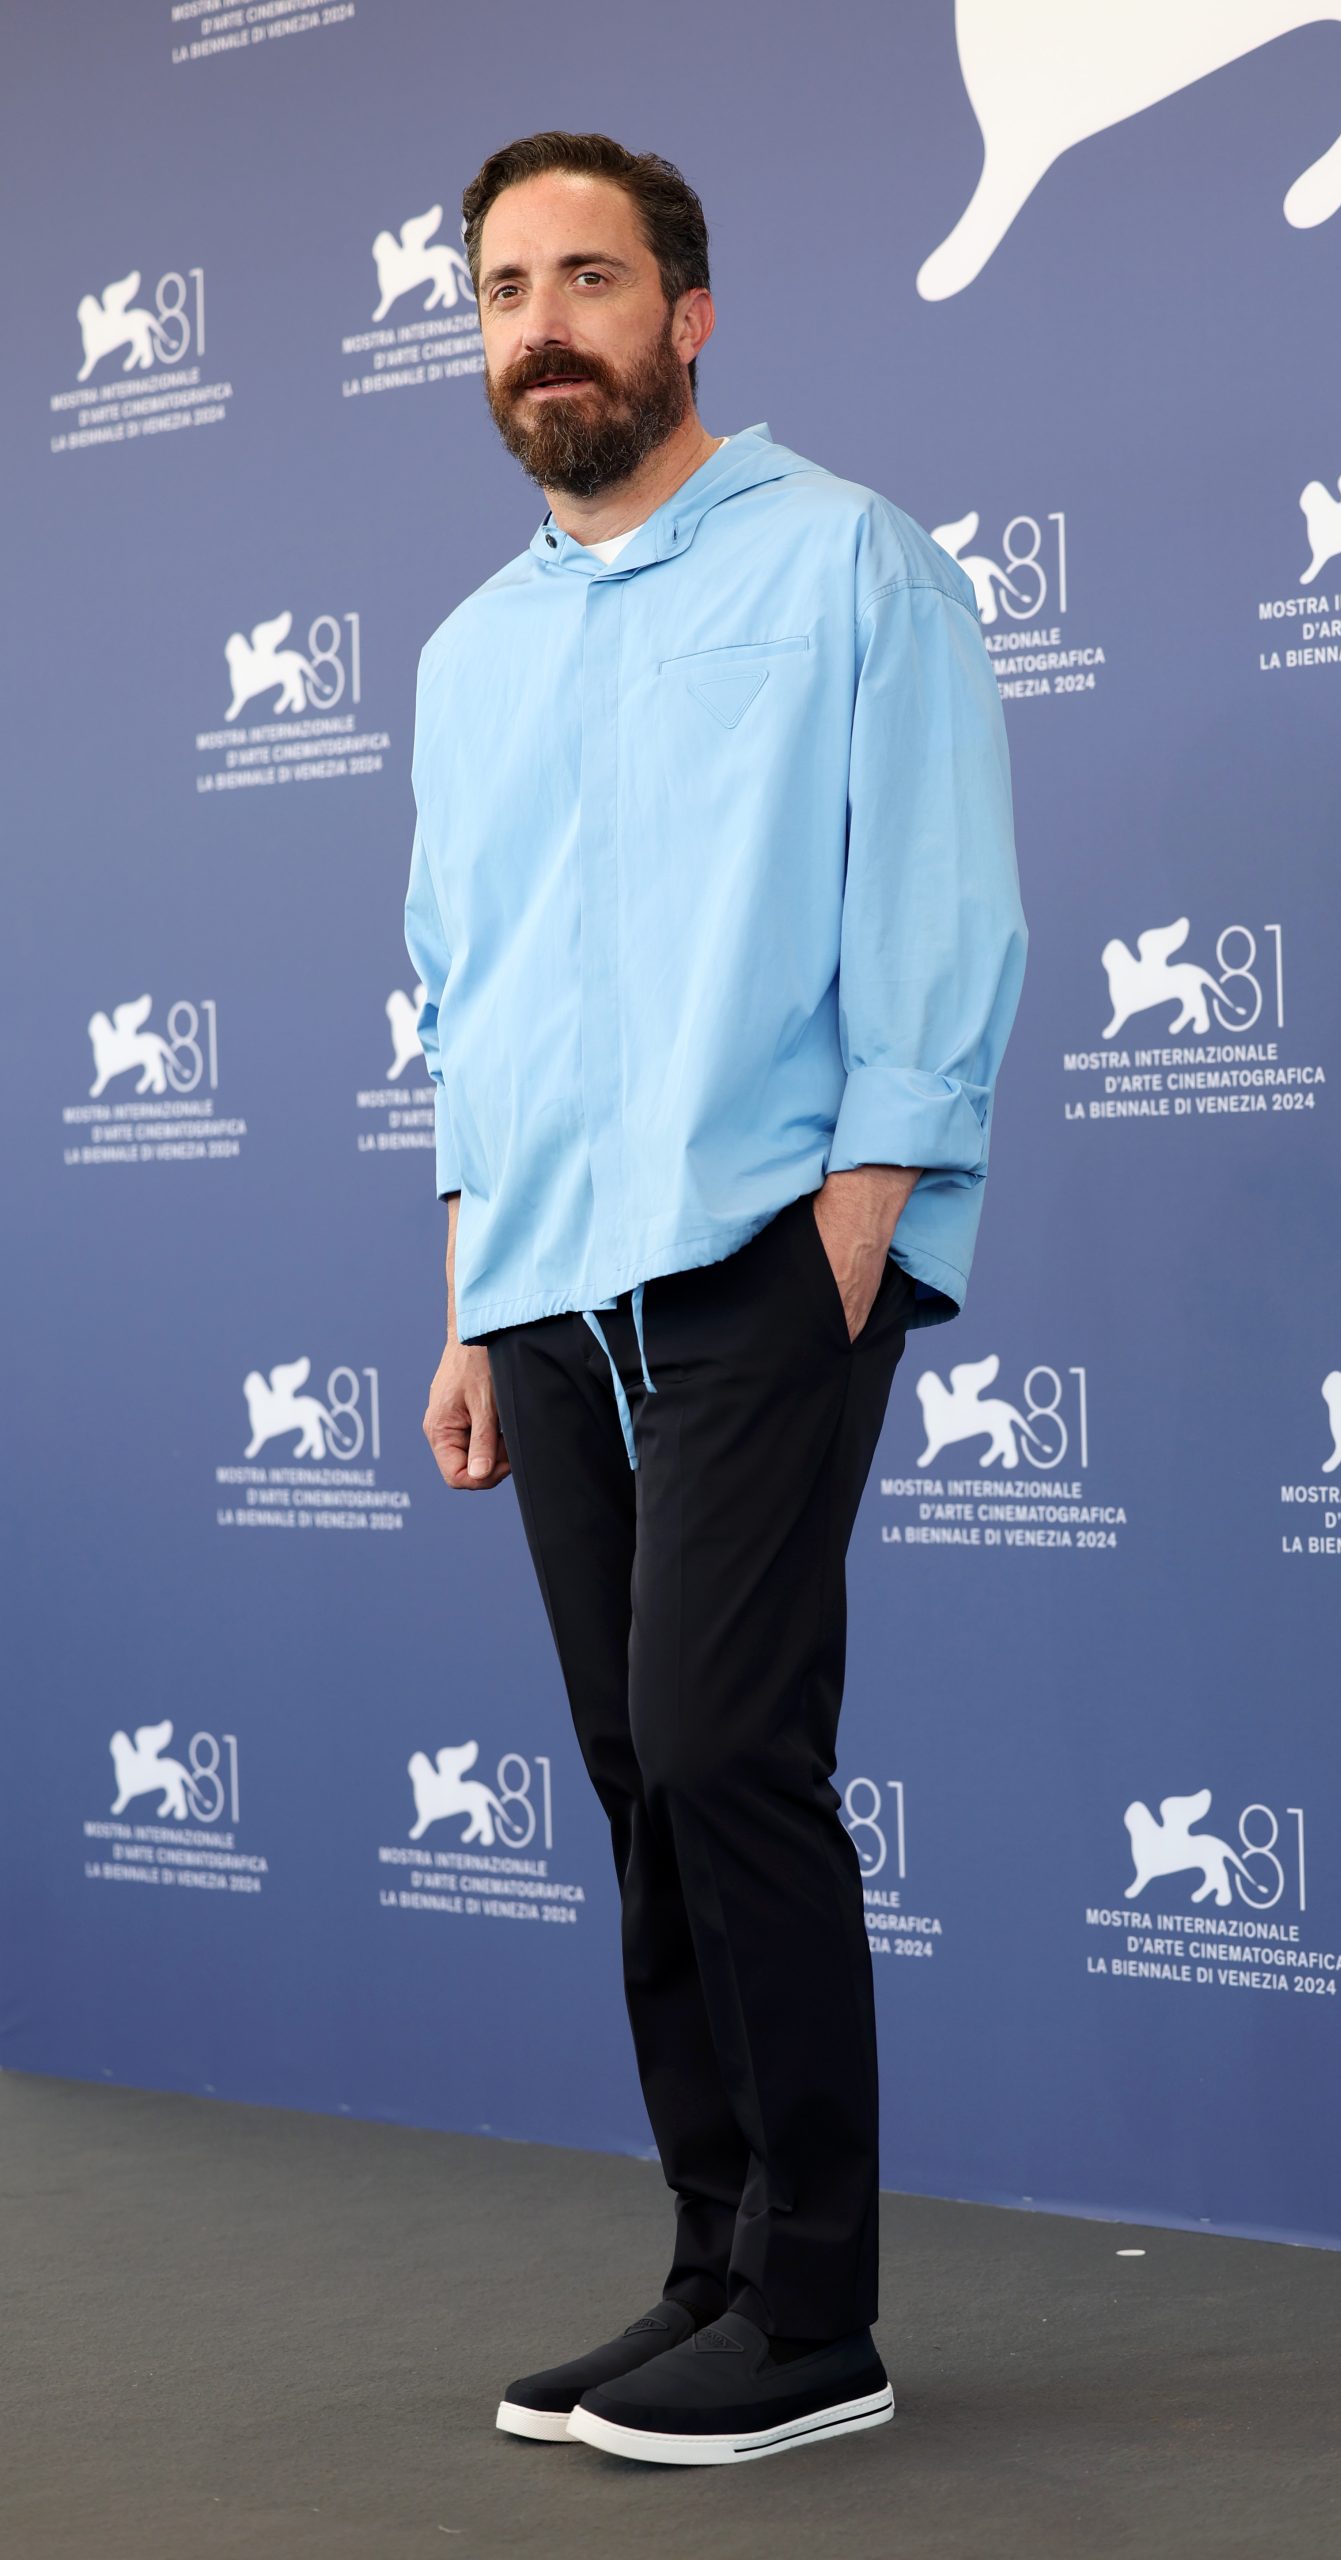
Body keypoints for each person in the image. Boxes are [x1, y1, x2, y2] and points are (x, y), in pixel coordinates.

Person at [404, 129, 1026, 2468]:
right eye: (500, 288)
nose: (539, 321)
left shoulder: (849, 559)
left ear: (685, 313)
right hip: (546, 1283)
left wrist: (859, 1216)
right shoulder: (469, 655)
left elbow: (942, 900)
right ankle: (708, 2262)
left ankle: (817, 2313)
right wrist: (470, 1306)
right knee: (631, 1781)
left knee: (719, 1747)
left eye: (587, 276)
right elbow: (460, 1001)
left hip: (771, 1245)